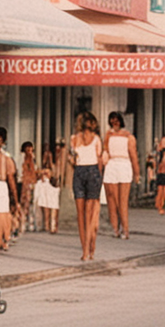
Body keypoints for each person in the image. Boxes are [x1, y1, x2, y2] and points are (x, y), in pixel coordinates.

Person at [70, 112, 104, 263]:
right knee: (90, 215)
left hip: (79, 172)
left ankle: (85, 248)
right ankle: (89, 248)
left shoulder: (74, 139)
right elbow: (99, 159)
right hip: (93, 172)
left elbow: (72, 159)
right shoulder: (97, 139)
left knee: (81, 215)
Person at [101, 112, 139, 241]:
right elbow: (104, 151)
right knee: (112, 199)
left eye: (116, 120)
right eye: (112, 121)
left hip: (124, 165)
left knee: (122, 201)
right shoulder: (108, 135)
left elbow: (133, 156)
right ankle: (115, 228)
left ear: (121, 121)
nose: (114, 123)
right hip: (111, 165)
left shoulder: (129, 136)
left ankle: (125, 229)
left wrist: (137, 173)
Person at [34, 143, 63, 234]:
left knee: (53, 205)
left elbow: (55, 174)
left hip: (53, 187)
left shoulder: (56, 165)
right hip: (45, 186)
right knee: (45, 205)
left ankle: (53, 226)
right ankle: (46, 225)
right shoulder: (42, 166)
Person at [16, 142, 38, 232]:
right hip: (24, 182)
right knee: (24, 203)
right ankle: (22, 223)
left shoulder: (33, 158)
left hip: (31, 182)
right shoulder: (22, 158)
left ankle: (31, 223)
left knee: (31, 203)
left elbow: (34, 170)